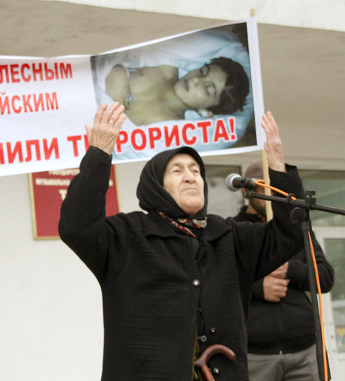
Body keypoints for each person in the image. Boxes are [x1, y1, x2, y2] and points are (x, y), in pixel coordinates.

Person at [59, 102, 306, 380]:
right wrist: (99, 155)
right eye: (177, 171)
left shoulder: (228, 236)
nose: (190, 177)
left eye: (196, 171)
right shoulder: (127, 236)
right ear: (156, 187)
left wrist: (278, 167)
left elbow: (290, 232)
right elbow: (75, 227)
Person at [233, 159, 334, 381]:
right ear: (246, 191)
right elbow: (220, 283)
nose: (273, 196)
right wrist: (258, 287)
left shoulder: (297, 231)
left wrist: (291, 268)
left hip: (305, 350)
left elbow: (325, 278)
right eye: (265, 189)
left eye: (276, 190)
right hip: (256, 354)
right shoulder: (234, 231)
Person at [104, 57, 250, 126]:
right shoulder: (164, 68)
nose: (195, 80)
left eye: (207, 89)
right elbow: (111, 56)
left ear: (206, 111)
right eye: (202, 71)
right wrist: (116, 72)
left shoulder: (168, 128)